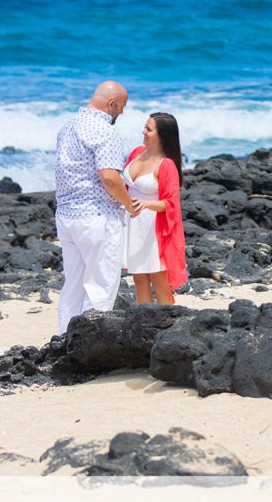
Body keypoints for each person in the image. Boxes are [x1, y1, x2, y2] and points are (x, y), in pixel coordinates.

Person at [54, 80, 137, 334]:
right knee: (100, 286)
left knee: (74, 286)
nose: (121, 113)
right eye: (121, 107)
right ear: (111, 104)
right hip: (97, 217)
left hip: (67, 216)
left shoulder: (68, 126)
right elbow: (109, 178)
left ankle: (65, 342)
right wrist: (129, 204)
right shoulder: (105, 131)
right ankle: (88, 349)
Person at [121, 112, 187, 305]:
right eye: (145, 127)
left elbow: (171, 204)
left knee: (159, 281)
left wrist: (146, 204)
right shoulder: (136, 153)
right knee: (139, 279)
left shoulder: (166, 165)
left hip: (154, 229)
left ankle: (169, 325)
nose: (143, 131)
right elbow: (123, 186)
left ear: (162, 135)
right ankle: (145, 325)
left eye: (149, 129)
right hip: (132, 225)